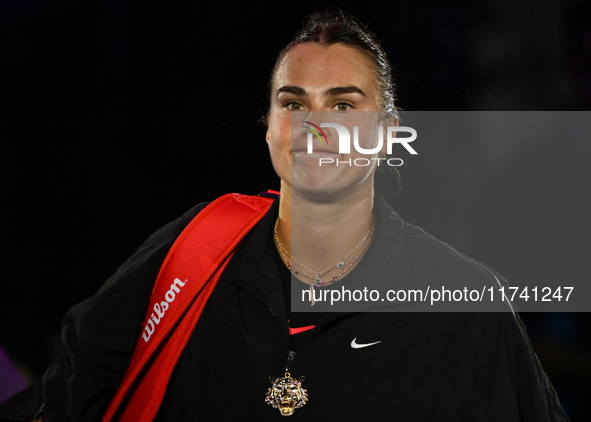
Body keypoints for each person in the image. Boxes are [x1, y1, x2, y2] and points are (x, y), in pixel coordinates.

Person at [0, 9, 570, 421]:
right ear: (270, 127)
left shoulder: (464, 306)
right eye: (294, 103)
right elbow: (67, 392)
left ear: (389, 133)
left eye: (343, 105)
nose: (315, 127)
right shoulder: (198, 247)